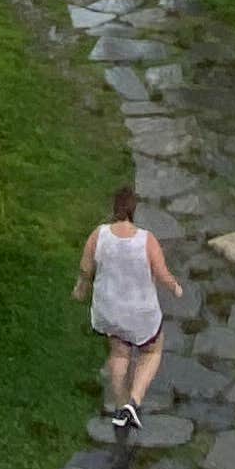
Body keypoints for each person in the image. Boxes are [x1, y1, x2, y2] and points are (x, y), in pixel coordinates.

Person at [77, 183, 181, 442]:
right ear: (134, 210)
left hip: (109, 310)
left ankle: (120, 405)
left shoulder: (98, 235)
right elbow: (162, 273)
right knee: (152, 350)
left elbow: (86, 268)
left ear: (113, 209)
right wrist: (175, 288)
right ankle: (133, 401)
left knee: (119, 351)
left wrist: (80, 288)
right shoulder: (146, 240)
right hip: (140, 313)